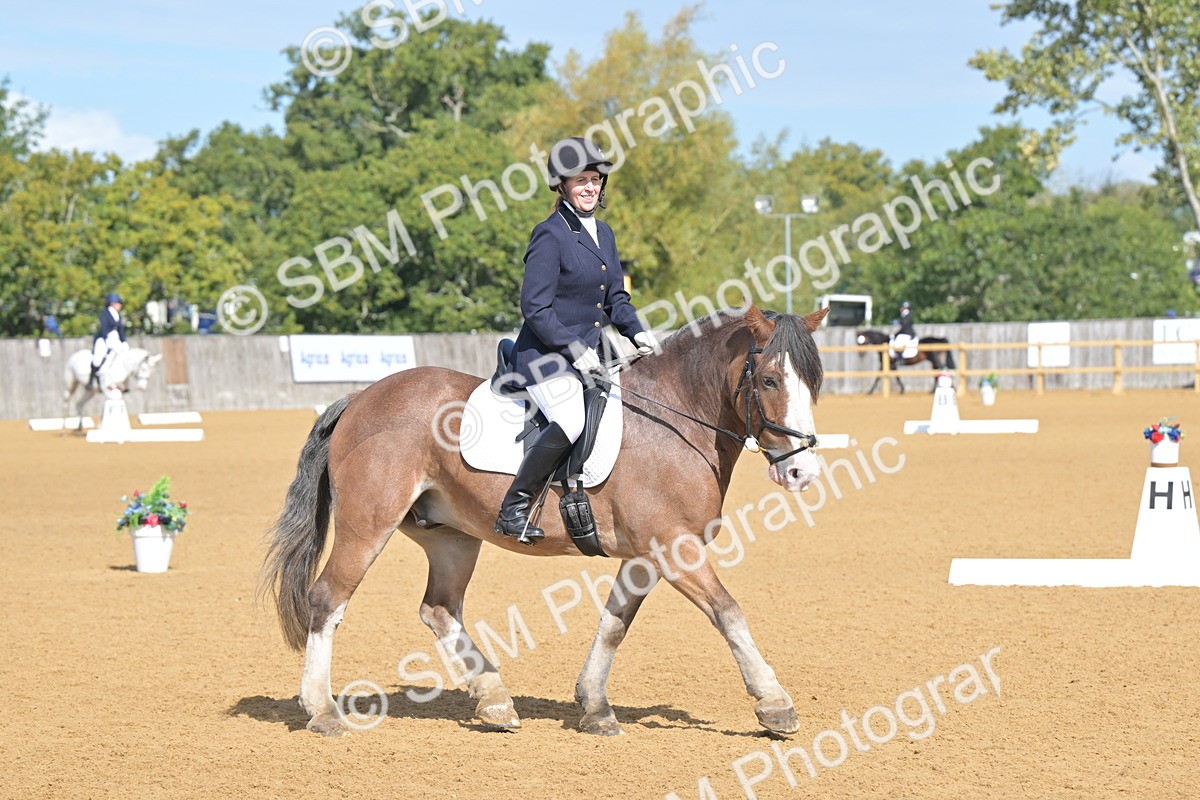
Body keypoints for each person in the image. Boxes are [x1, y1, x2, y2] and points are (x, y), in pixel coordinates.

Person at [494, 137, 658, 543]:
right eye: (581, 180)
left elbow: (615, 297)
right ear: (562, 186)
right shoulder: (550, 234)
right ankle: (513, 508)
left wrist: (637, 331)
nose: (590, 187)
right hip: (545, 357)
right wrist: (574, 349)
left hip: (595, 355)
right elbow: (535, 307)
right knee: (571, 420)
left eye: (595, 179)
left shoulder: (604, 232)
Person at [90, 293, 127, 389]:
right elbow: (104, 327)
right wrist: (107, 339)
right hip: (104, 338)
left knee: (122, 353)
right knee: (98, 358)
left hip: (115, 338)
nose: (120, 305)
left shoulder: (118, 315)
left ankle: (117, 379)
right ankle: (93, 379)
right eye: (118, 303)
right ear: (112, 303)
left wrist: (123, 341)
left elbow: (120, 330)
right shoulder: (105, 314)